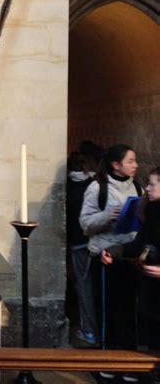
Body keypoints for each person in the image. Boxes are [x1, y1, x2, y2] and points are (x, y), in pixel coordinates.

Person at [79, 144, 142, 383]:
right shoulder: (98, 188)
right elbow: (85, 224)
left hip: (129, 255)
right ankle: (108, 361)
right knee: (108, 312)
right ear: (116, 165)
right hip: (105, 257)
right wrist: (107, 216)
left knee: (130, 312)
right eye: (131, 161)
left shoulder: (137, 186)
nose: (136, 165)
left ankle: (129, 363)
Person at [102, 167, 160, 356]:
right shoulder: (150, 209)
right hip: (151, 284)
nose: (147, 188)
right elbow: (139, 243)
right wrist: (112, 251)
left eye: (152, 184)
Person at [66, 151, 98, 346]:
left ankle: (89, 330)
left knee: (84, 287)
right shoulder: (93, 185)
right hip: (95, 241)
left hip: (78, 242)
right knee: (91, 287)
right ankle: (94, 329)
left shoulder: (68, 187)